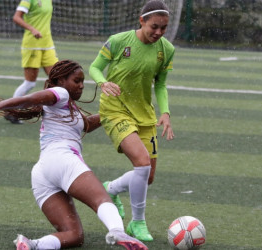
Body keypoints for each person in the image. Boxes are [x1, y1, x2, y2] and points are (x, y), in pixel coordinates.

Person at [0, 60, 148, 250]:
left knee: (74, 235)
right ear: (60, 80)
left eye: (83, 81)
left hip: (43, 172)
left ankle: (32, 245)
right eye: (77, 80)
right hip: (62, 160)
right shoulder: (61, 93)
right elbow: (32, 98)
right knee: (102, 200)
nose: (81, 85)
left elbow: (87, 125)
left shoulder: (66, 106)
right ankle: (117, 231)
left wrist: (112, 113)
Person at [89, 0, 175, 242]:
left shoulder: (166, 49)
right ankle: (137, 223)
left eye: (163, 28)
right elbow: (95, 68)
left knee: (147, 176)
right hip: (115, 110)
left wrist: (165, 112)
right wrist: (102, 82)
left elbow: (160, 83)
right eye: (154, 27)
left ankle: (111, 189)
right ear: (142, 21)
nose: (158, 32)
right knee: (142, 161)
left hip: (144, 114)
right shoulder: (118, 41)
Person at [6, 0, 59, 124]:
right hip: (32, 45)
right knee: (30, 83)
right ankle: (11, 112)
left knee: (57, 79)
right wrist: (32, 29)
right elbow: (16, 17)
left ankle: (57, 114)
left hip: (47, 44)